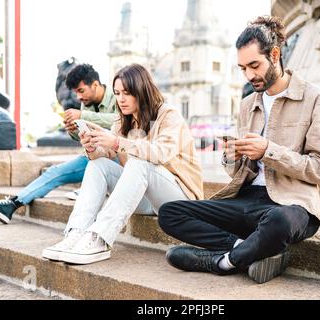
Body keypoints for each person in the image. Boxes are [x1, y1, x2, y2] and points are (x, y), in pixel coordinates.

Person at [158, 16, 320, 284]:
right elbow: (238, 173)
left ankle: (222, 261)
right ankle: (252, 250)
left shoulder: (317, 100)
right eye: (243, 68)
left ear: (275, 54)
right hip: (247, 199)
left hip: (293, 203)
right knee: (170, 213)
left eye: (254, 65)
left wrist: (268, 150)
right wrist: (232, 158)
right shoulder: (246, 105)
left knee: (278, 221)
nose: (249, 75)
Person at [42, 63, 203, 265]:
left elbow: (160, 153)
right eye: (117, 93)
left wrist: (118, 142)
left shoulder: (168, 115)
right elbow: (107, 153)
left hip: (180, 197)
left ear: (142, 90)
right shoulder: (122, 121)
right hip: (144, 197)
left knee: (139, 164)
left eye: (127, 93)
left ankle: (100, 238)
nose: (121, 99)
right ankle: (76, 233)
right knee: (97, 164)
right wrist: (92, 147)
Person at [0, 64, 117, 224]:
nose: (78, 98)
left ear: (95, 85)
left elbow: (120, 122)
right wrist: (73, 130)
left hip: (118, 159)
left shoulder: (118, 94)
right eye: (76, 93)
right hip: (94, 157)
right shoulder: (86, 103)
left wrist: (84, 115)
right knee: (53, 171)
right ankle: (11, 205)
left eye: (81, 91)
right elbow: (85, 136)